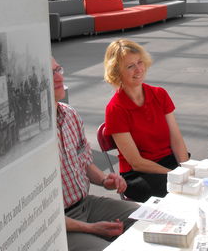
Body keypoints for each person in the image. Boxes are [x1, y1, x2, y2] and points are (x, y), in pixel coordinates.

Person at [53, 57, 139, 251]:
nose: (59, 77)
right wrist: (92, 229)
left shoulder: (70, 114)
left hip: (86, 204)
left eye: (59, 69)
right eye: (50, 73)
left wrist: (104, 180)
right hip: (58, 222)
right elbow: (42, 215)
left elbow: (84, 162)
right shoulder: (35, 138)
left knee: (148, 218)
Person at [103, 39, 189, 202]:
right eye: (130, 66)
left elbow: (176, 139)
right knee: (181, 193)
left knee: (199, 181)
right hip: (139, 174)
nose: (139, 69)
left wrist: (186, 169)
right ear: (116, 72)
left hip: (169, 162)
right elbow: (136, 162)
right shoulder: (115, 109)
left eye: (140, 62)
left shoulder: (159, 94)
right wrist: (174, 174)